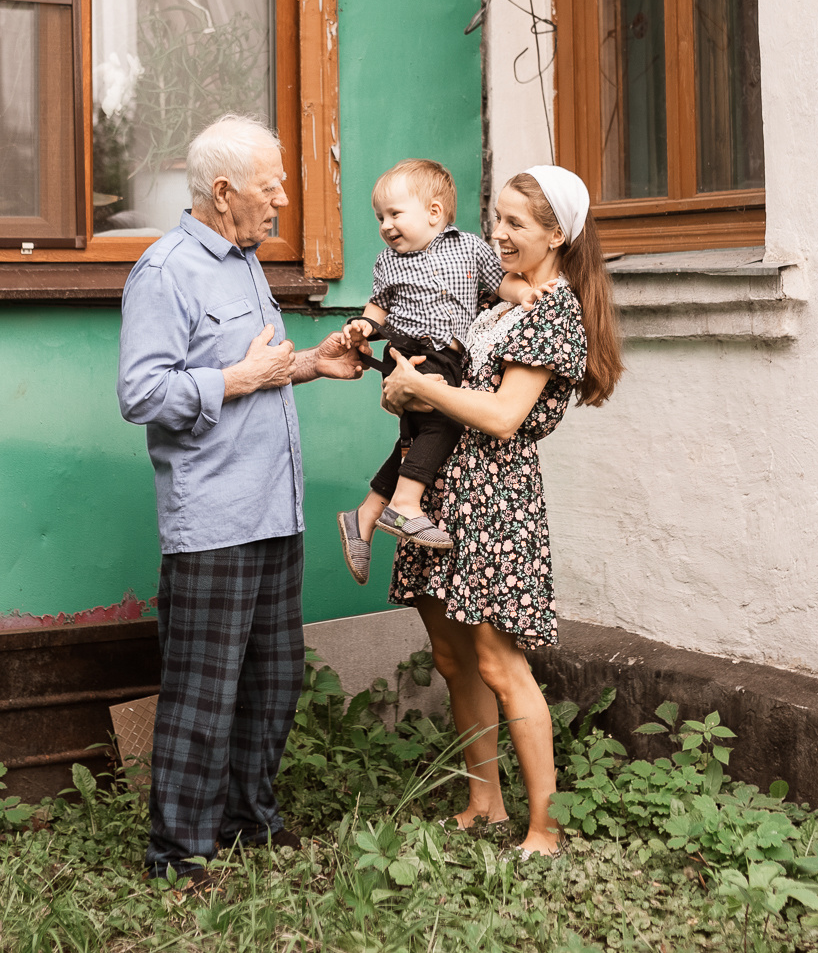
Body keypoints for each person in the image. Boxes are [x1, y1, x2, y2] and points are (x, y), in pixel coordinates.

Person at [117, 115, 365, 887]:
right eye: (271, 186)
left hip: (274, 510)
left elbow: (258, 370)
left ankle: (248, 821)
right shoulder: (166, 272)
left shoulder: (247, 262)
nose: (283, 199)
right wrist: (237, 378)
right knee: (202, 694)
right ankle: (179, 854)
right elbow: (141, 392)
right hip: (214, 520)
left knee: (273, 681)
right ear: (223, 192)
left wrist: (313, 363)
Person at [381, 165, 623, 857]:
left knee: (496, 660)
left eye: (517, 223)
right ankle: (484, 802)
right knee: (453, 657)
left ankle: (545, 826)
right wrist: (406, 388)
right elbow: (455, 379)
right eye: (497, 219)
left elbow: (503, 415)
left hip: (494, 499)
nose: (500, 234)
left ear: (557, 234)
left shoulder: (555, 310)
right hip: (444, 487)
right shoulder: (501, 300)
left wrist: (420, 388)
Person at [335, 159, 545, 585]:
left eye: (394, 214)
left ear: (434, 212)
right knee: (446, 421)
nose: (385, 226)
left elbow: (498, 283)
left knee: (421, 434)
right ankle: (404, 505)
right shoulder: (388, 262)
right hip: (408, 350)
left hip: (449, 356)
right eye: (380, 218)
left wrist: (524, 292)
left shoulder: (470, 248)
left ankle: (366, 514)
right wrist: (363, 327)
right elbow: (378, 306)